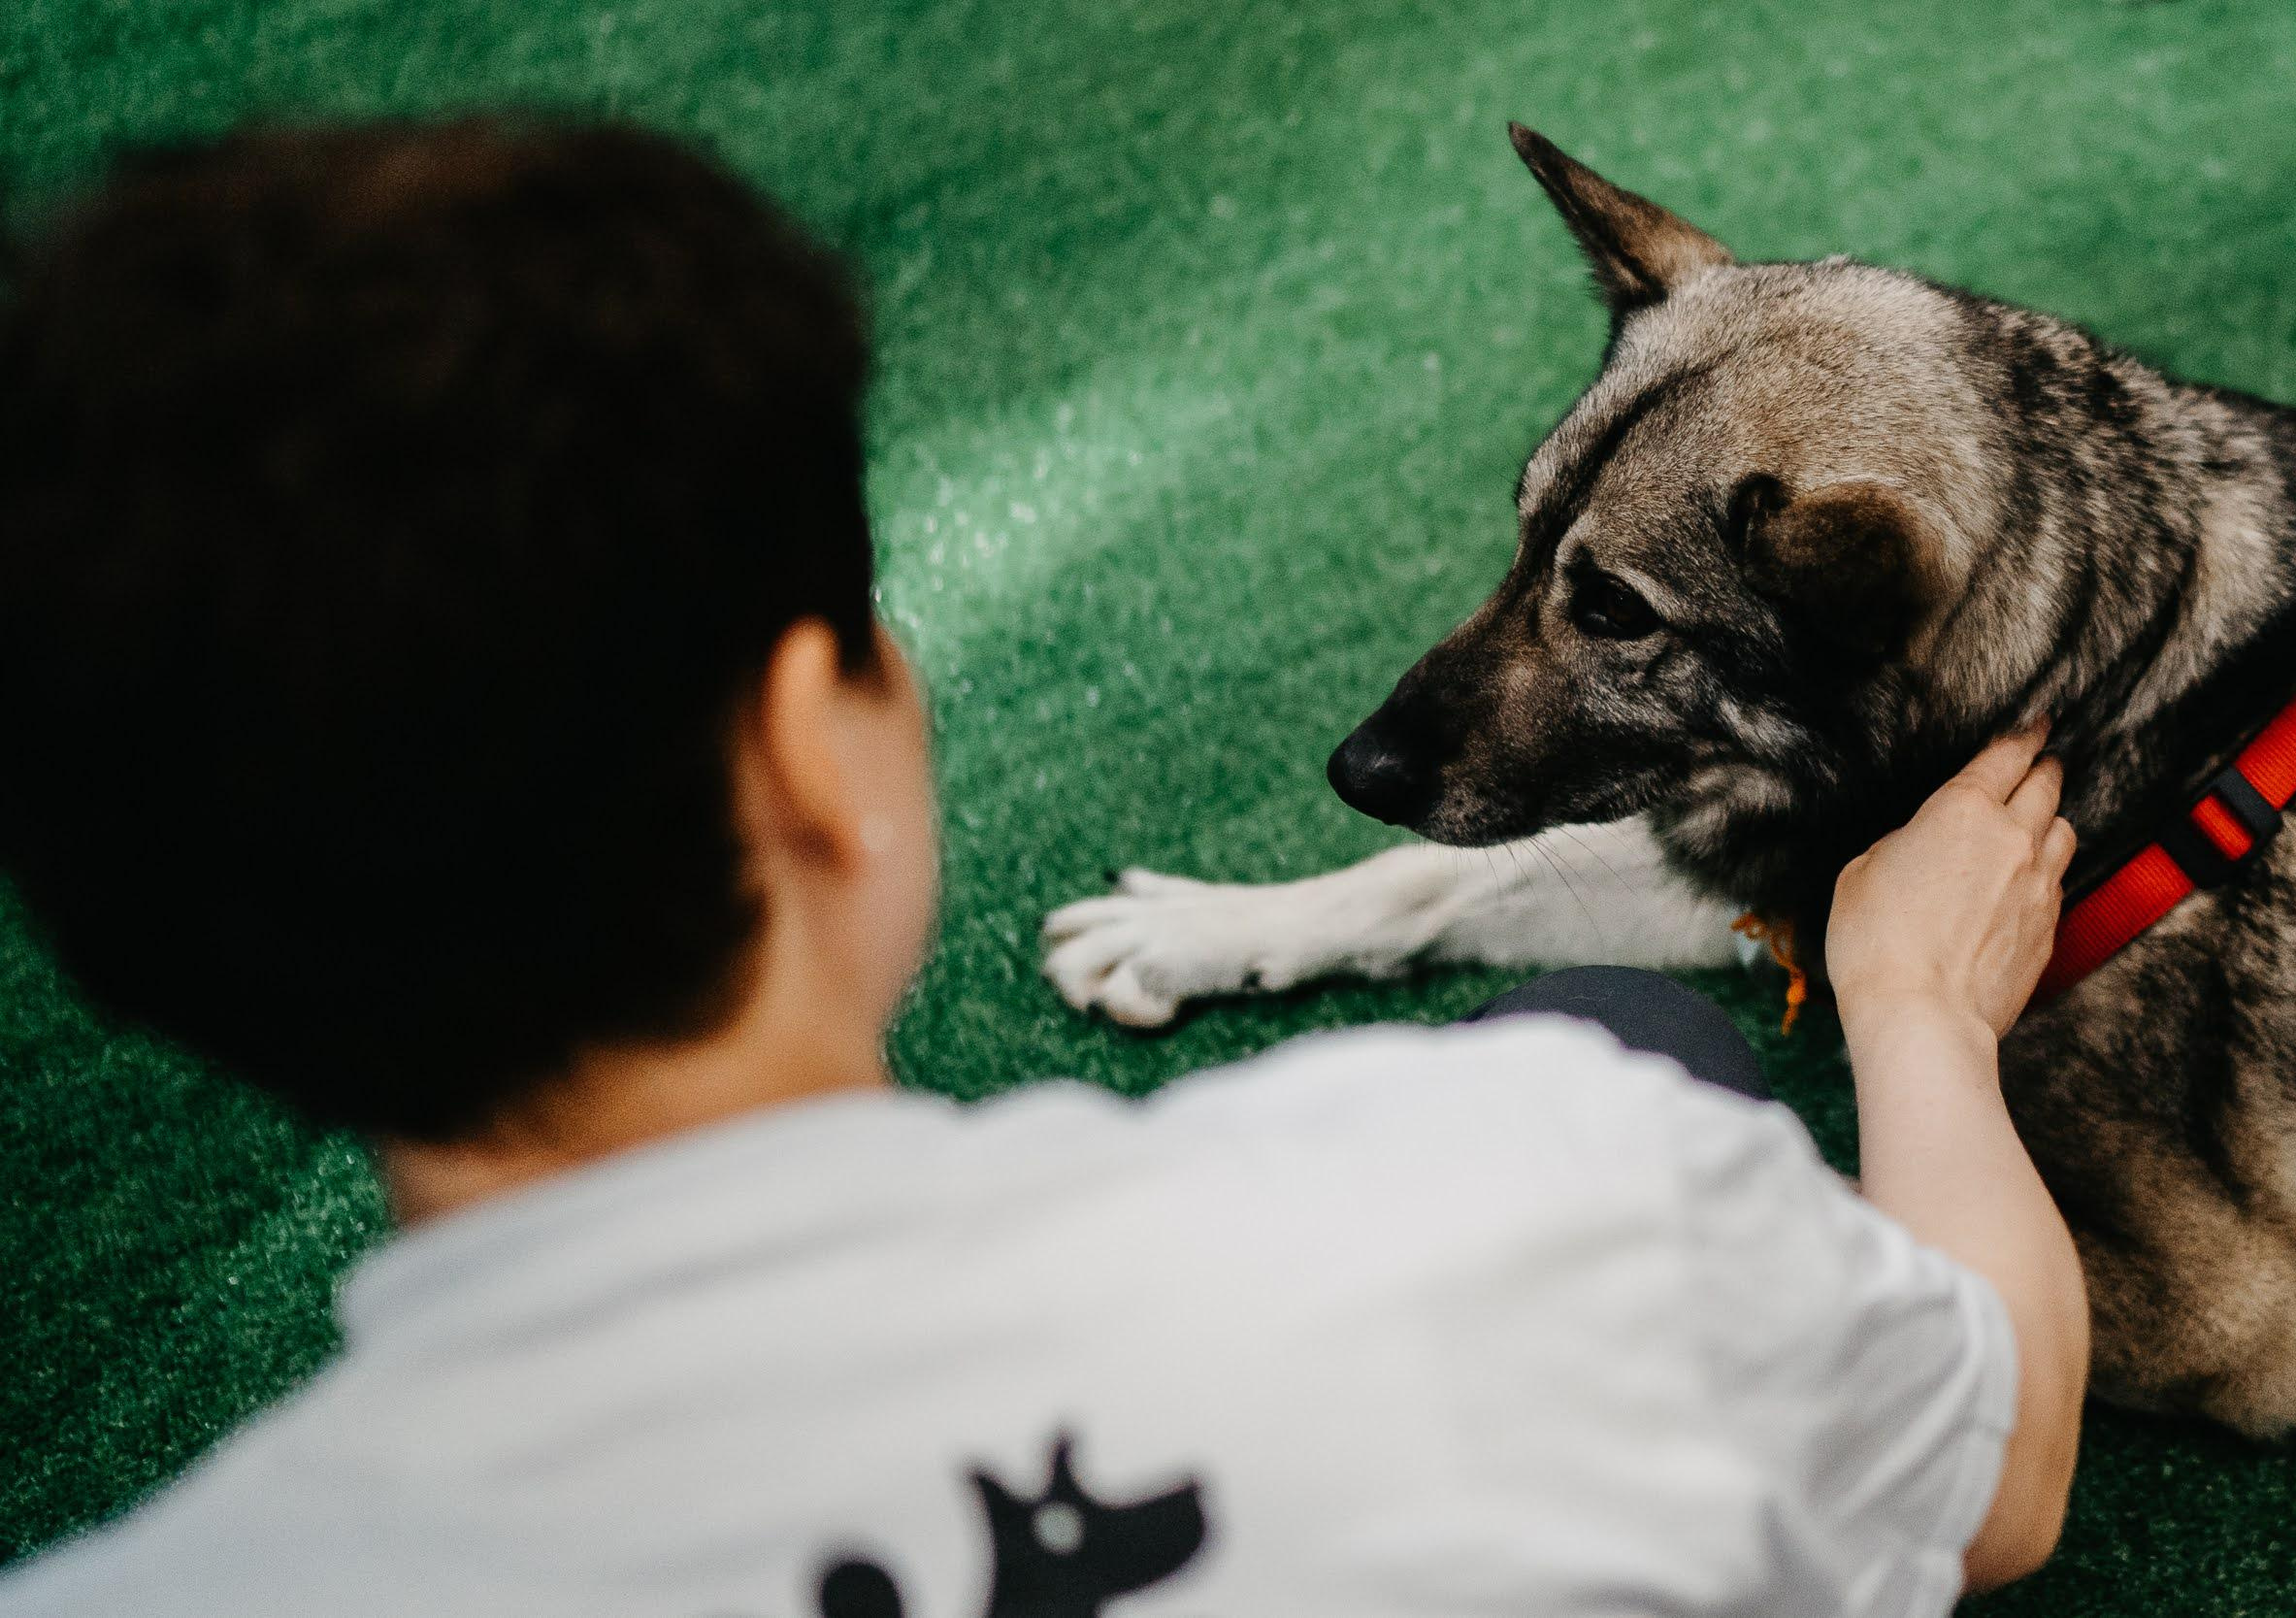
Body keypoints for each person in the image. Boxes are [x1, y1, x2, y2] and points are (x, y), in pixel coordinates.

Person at [0, 118, 2085, 1618]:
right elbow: (1995, 1484)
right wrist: (1913, 1020)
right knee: (1630, 1028)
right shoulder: (1557, 1191)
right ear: (822, 746)